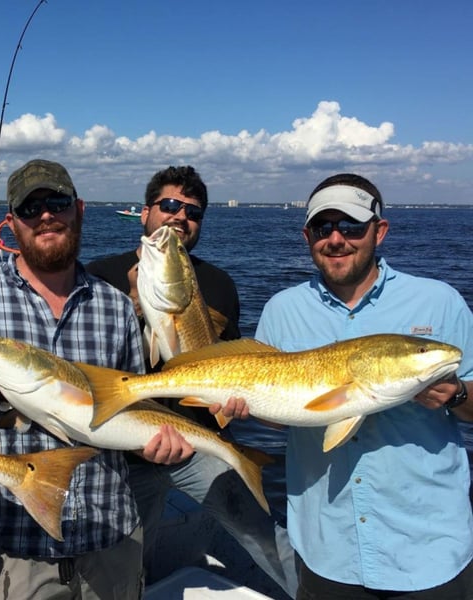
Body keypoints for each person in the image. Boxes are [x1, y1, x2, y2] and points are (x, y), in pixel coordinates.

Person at [0, 158, 190, 599]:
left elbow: (134, 405)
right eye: (29, 208)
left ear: (79, 208)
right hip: (18, 543)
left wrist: (161, 444)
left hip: (112, 533)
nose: (45, 216)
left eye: (56, 202)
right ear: (11, 223)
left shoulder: (116, 306)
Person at [251, 173, 473, 598]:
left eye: (351, 226)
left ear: (379, 231)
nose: (336, 239)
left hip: (428, 547)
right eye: (323, 227)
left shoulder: (439, 301)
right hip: (326, 547)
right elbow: (278, 417)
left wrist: (457, 394)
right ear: (307, 235)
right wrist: (244, 406)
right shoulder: (281, 310)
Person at [86, 165, 297, 597]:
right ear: (145, 213)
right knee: (127, 558)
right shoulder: (98, 278)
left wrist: (237, 402)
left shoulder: (219, 284)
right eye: (169, 205)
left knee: (260, 530)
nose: (180, 217)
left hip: (202, 440)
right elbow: (85, 365)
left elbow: (233, 365)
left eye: (193, 212)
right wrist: (131, 301)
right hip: (127, 451)